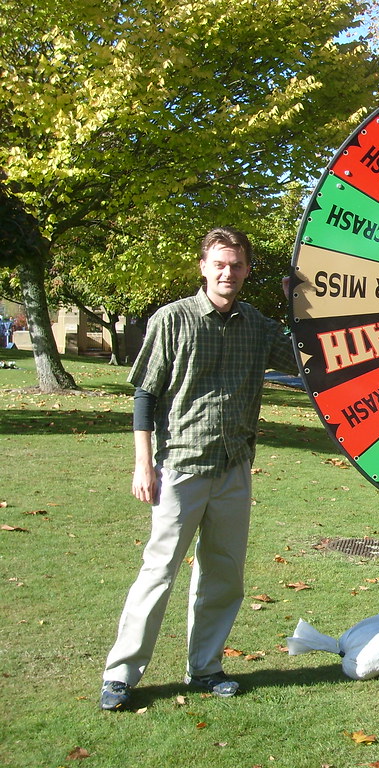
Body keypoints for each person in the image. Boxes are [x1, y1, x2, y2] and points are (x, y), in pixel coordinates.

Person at [100, 227, 297, 711]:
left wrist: (297, 305)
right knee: (158, 572)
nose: (227, 273)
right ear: (204, 267)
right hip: (181, 467)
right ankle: (121, 675)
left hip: (234, 467)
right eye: (219, 264)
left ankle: (205, 668)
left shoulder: (257, 325)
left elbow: (304, 356)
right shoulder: (172, 320)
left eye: (236, 265)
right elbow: (145, 393)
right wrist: (142, 464)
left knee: (223, 575)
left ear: (248, 270)